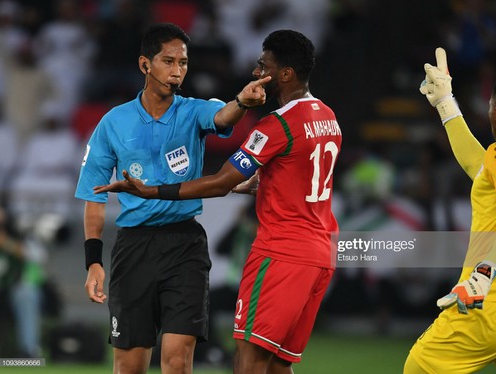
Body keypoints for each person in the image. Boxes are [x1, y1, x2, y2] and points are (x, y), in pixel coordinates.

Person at [94, 29, 342, 374]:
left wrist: (152, 191)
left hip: (282, 251)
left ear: (285, 74)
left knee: (248, 361)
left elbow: (222, 182)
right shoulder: (328, 117)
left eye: (263, 66)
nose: (256, 73)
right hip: (321, 251)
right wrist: (268, 182)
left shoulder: (275, 125)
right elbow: (301, 170)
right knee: (278, 364)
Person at [74, 22, 270, 374]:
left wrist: (241, 100)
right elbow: (94, 196)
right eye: (168, 61)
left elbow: (223, 114)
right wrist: (93, 261)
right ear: (145, 65)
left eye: (183, 63)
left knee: (177, 361)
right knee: (130, 366)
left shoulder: (194, 110)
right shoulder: (113, 123)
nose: (177, 71)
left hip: (184, 245)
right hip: (133, 248)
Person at [404, 48, 496, 373]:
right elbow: (479, 165)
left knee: (417, 369)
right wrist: (446, 103)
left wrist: (484, 274)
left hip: (492, 303)